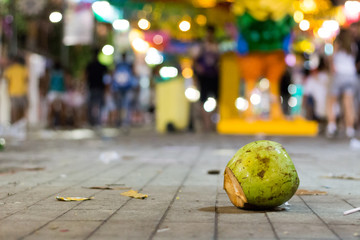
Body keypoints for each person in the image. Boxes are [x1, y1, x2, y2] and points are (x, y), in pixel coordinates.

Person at [327, 29, 357, 138]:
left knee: (332, 101)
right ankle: (350, 129)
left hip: (339, 75)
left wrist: (331, 68)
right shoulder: (352, 46)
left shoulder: (337, 44)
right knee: (348, 103)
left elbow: (331, 58)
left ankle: (331, 126)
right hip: (350, 75)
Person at [193, 25, 219, 132]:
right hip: (204, 77)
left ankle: (213, 123)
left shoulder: (217, 46)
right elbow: (194, 61)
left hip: (215, 76)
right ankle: (206, 124)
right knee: (203, 100)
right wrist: (198, 70)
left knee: (217, 100)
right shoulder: (200, 46)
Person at [112, 52, 138, 131]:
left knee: (124, 105)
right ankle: (122, 121)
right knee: (122, 106)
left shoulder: (124, 65)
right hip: (122, 88)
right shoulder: (123, 65)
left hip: (125, 88)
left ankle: (124, 121)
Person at [85, 48, 107, 126]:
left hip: (92, 87)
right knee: (100, 105)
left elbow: (85, 76)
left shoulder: (90, 65)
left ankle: (92, 122)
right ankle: (98, 122)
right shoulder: (102, 66)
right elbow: (107, 78)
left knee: (90, 105)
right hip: (99, 88)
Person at [3, 55, 28, 124]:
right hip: (22, 91)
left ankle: (14, 123)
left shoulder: (9, 69)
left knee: (14, 109)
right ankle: (21, 123)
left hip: (12, 92)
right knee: (22, 109)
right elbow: (26, 80)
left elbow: (6, 80)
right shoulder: (23, 69)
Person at [46, 61, 67, 128]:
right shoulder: (62, 73)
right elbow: (65, 82)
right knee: (63, 109)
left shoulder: (51, 73)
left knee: (50, 108)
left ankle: (50, 123)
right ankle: (63, 123)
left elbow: (49, 82)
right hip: (61, 91)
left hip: (52, 91)